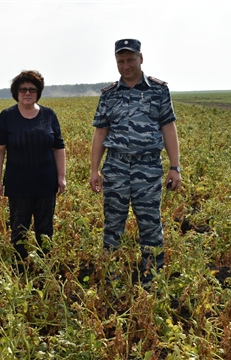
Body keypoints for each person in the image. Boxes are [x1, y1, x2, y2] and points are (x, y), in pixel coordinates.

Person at [89, 39, 181, 284]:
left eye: (131, 59)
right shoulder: (109, 95)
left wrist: (174, 167)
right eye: (121, 61)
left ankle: (152, 279)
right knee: (113, 225)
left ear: (141, 58)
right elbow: (100, 132)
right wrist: (94, 170)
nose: (126, 65)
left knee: (150, 225)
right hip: (116, 166)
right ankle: (111, 279)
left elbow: (168, 127)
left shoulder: (159, 91)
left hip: (148, 167)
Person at [0, 70, 66, 271]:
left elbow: (58, 147)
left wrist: (61, 177)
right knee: (19, 230)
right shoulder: (7, 117)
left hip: (45, 182)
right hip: (18, 185)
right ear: (16, 92)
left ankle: (45, 270)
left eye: (32, 89)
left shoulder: (49, 115)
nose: (27, 93)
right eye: (23, 89)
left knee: (45, 230)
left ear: (38, 92)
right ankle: (20, 270)